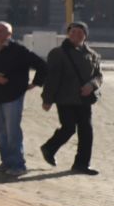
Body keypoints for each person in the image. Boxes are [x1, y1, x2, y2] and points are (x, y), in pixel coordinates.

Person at [0, 21, 47, 176]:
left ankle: (18, 165)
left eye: (0, 31)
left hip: (13, 96)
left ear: (9, 34)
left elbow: (42, 65)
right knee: (0, 131)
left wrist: (35, 83)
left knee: (12, 131)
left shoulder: (19, 50)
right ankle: (6, 162)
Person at [40, 21, 104, 175]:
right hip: (65, 98)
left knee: (86, 131)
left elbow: (98, 76)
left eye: (80, 32)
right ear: (68, 34)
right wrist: (47, 99)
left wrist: (92, 85)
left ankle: (81, 164)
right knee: (68, 128)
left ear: (85, 35)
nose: (76, 35)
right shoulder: (58, 53)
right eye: (73, 32)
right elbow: (52, 78)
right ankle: (49, 148)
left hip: (84, 99)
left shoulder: (93, 55)